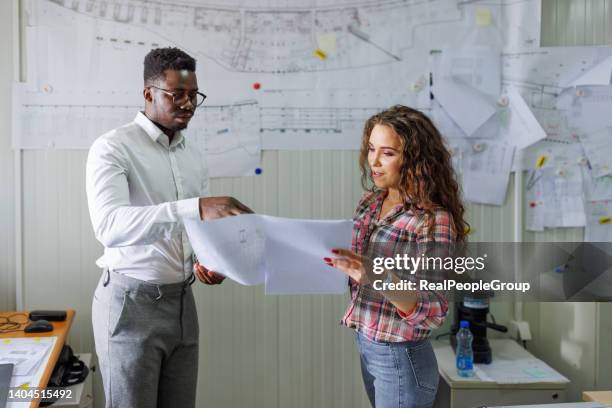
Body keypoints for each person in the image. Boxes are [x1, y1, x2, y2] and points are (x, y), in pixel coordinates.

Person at [86, 47, 252, 408]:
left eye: (194, 95)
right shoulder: (113, 148)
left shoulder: (193, 155)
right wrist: (195, 207)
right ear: (149, 93)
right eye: (177, 94)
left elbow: (197, 229)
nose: (188, 104)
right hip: (131, 304)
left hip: (182, 302)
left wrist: (210, 261)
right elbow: (109, 226)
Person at [326, 105, 468, 408]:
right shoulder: (370, 203)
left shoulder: (433, 220)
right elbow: (360, 272)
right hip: (367, 345)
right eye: (371, 149)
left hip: (401, 357)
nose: (374, 162)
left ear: (415, 159)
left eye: (388, 153)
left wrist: (377, 276)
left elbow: (434, 309)